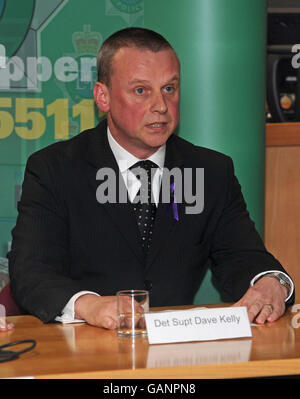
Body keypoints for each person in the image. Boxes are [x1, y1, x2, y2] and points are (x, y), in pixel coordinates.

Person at [7, 27, 294, 330]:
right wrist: (88, 305)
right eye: (141, 91)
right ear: (102, 97)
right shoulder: (55, 169)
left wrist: (271, 282)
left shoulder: (211, 172)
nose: (161, 106)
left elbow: (243, 256)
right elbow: (30, 270)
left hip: (179, 358)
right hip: (83, 352)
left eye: (169, 89)